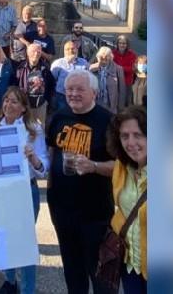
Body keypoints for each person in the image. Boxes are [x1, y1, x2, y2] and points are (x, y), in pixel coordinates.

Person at [45, 70, 117, 294]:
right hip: (62, 210)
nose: (73, 94)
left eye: (80, 89)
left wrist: (94, 166)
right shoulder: (58, 116)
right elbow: (49, 154)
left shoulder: (108, 121)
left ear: (94, 93)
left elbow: (122, 167)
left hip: (95, 214)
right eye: (69, 89)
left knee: (100, 276)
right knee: (73, 273)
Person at [0, 87, 49, 294]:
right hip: (2, 192)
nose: (8, 105)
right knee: (6, 237)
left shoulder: (33, 129)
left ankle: (28, 289)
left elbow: (43, 170)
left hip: (24, 191)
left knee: (25, 242)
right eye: (6, 100)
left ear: (23, 108)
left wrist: (33, 158)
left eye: (14, 102)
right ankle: (10, 280)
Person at [107, 106, 148, 294]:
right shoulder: (122, 167)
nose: (131, 143)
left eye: (138, 135)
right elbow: (123, 209)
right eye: (125, 136)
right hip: (130, 263)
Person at [15, 42, 56, 126]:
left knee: (40, 129)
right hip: (25, 104)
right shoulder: (20, 68)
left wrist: (46, 100)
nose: (36, 53)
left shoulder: (45, 68)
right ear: (28, 53)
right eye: (34, 51)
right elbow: (15, 84)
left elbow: (52, 84)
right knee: (24, 127)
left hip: (40, 105)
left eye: (39, 52)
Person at [50, 40, 90, 115]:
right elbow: (52, 81)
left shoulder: (84, 63)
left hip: (79, 96)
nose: (71, 51)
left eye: (73, 48)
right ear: (64, 51)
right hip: (62, 97)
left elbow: (88, 78)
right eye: (68, 49)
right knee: (62, 118)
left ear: (77, 50)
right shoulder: (57, 63)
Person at [89, 46, 127, 112]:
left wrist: (120, 107)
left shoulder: (118, 69)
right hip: (95, 103)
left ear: (111, 57)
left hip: (111, 105)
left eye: (107, 56)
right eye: (101, 57)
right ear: (97, 57)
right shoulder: (91, 68)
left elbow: (122, 90)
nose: (104, 58)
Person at [112, 35, 138, 100]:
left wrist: (119, 68)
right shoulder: (113, 53)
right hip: (115, 81)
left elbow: (133, 68)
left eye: (124, 43)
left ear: (127, 44)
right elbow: (111, 66)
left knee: (126, 101)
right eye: (120, 43)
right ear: (117, 44)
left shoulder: (132, 55)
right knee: (115, 100)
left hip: (127, 82)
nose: (122, 45)